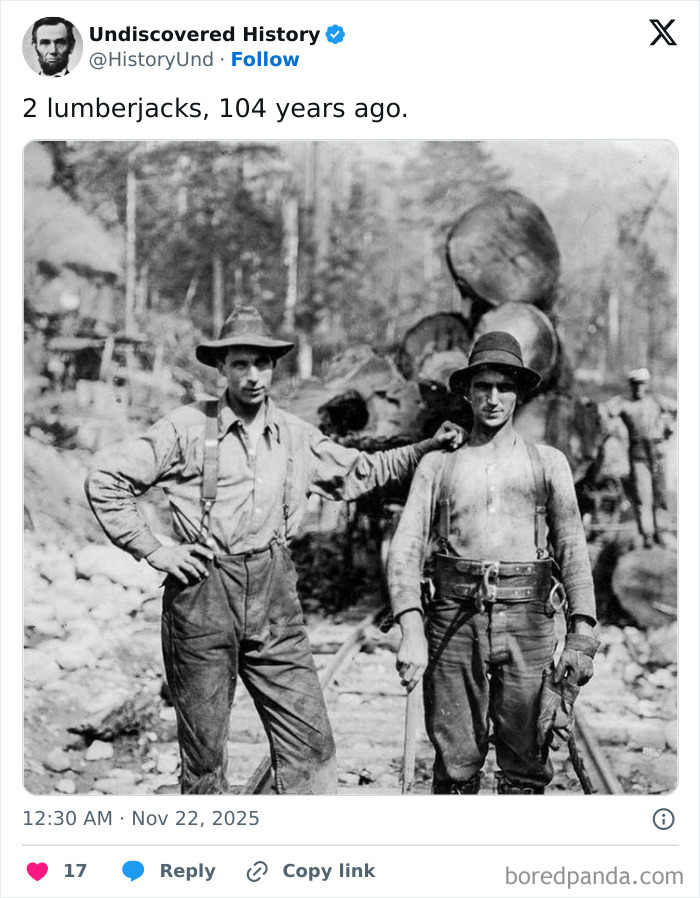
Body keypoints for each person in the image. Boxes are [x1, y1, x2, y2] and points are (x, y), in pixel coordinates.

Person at [85, 306, 463, 795]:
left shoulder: (293, 435)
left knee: (311, 749)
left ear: (273, 367)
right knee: (203, 763)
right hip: (203, 598)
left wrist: (423, 448)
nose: (251, 375)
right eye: (239, 364)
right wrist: (156, 551)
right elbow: (106, 479)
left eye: (260, 364)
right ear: (221, 368)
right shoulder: (184, 427)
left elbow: (358, 472)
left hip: (273, 598)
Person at [388, 331, 599, 795]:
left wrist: (582, 632)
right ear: (465, 391)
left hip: (529, 620)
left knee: (527, 762)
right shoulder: (438, 466)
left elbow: (572, 548)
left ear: (519, 392)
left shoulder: (548, 464)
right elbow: (404, 550)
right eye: (482, 386)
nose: (493, 397)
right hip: (454, 621)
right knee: (456, 765)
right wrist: (411, 629)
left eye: (504, 387)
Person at [617, 368, 675, 548]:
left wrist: (669, 427)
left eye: (642, 384)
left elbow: (678, 408)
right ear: (631, 386)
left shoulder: (657, 401)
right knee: (643, 495)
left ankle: (662, 531)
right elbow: (604, 411)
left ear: (647, 385)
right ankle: (647, 534)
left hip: (657, 454)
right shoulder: (625, 405)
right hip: (638, 456)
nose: (639, 388)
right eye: (635, 385)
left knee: (660, 493)